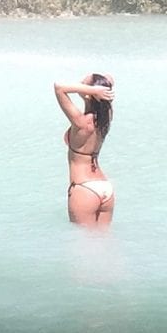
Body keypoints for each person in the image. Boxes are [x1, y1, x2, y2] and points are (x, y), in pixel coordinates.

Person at [55, 72, 116, 226]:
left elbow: (59, 87)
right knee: (104, 241)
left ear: (91, 94)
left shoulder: (81, 122)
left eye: (83, 83)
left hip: (84, 188)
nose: (79, 84)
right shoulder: (106, 116)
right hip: (105, 187)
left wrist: (94, 90)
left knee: (83, 245)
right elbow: (109, 79)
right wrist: (95, 90)